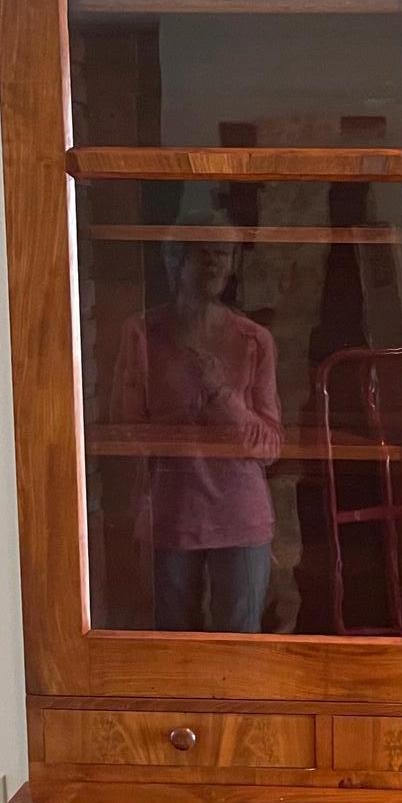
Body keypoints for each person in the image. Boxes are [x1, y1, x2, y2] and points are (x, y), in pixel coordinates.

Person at [111, 234, 283, 632]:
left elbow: (271, 445)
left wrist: (222, 396)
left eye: (222, 253)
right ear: (176, 259)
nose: (213, 263)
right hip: (170, 514)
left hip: (240, 516)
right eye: (202, 252)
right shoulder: (142, 333)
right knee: (173, 652)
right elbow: (124, 429)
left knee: (240, 651)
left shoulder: (254, 340)